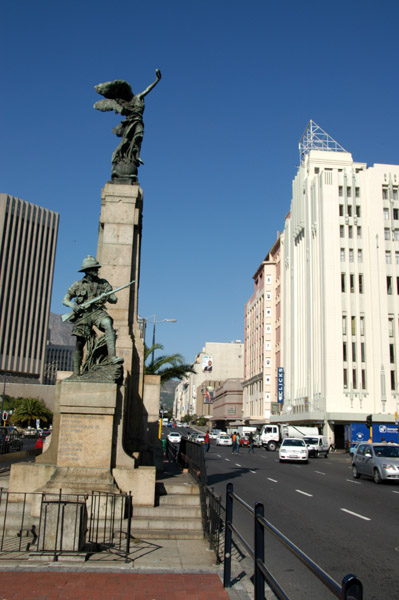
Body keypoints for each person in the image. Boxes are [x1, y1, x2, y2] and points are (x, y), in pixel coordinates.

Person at [94, 70, 162, 180]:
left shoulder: (141, 101)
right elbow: (147, 89)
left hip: (138, 121)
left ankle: (135, 155)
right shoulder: (137, 98)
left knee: (138, 138)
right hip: (131, 121)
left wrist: (157, 80)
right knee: (128, 139)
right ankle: (123, 157)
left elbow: (147, 91)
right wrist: (157, 80)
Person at [62, 256, 124, 376]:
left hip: (97, 312)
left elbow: (114, 299)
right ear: (87, 270)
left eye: (97, 268)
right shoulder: (78, 284)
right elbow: (65, 300)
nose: (97, 270)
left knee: (107, 323)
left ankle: (112, 357)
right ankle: (76, 372)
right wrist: (74, 306)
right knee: (80, 342)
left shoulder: (103, 283)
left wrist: (107, 296)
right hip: (83, 314)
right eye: (94, 268)